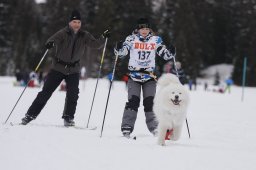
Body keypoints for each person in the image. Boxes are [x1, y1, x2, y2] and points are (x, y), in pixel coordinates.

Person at [20, 9, 110, 126]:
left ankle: (68, 117)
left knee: (73, 94)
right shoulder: (63, 33)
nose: (76, 24)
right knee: (46, 92)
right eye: (74, 22)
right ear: (69, 23)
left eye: (78, 22)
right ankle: (30, 115)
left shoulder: (85, 35)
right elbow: (52, 40)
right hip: (58, 67)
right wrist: (50, 43)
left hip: (74, 70)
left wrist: (103, 37)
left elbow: (96, 45)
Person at [114, 18, 175, 137]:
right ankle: (127, 126)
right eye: (142, 28)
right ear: (138, 29)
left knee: (150, 103)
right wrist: (118, 48)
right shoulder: (131, 39)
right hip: (134, 76)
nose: (144, 31)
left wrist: (171, 52)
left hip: (149, 77)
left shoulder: (155, 40)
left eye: (147, 29)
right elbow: (122, 53)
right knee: (133, 102)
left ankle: (155, 128)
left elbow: (164, 54)